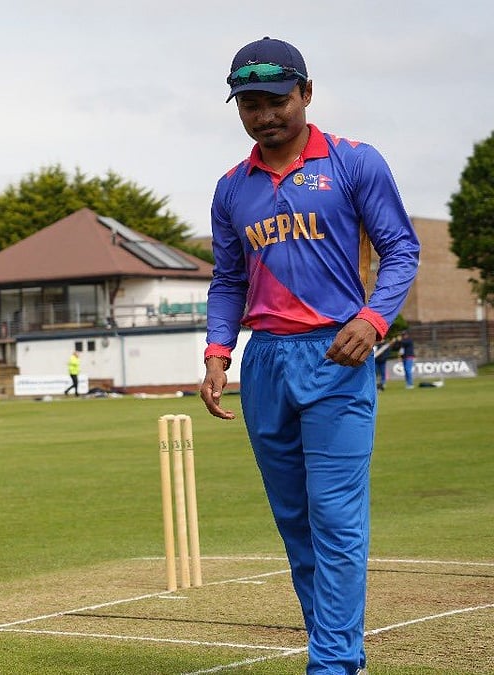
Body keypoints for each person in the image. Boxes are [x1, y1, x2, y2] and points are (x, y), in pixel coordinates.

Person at [200, 37, 419, 675]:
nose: (265, 115)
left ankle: (332, 664)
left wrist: (373, 319)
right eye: (250, 105)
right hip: (266, 363)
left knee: (336, 520)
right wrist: (218, 350)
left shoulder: (354, 162)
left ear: (307, 93)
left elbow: (401, 249)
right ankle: (338, 651)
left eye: (278, 101)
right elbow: (228, 280)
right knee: (296, 523)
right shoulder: (231, 189)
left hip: (336, 357)